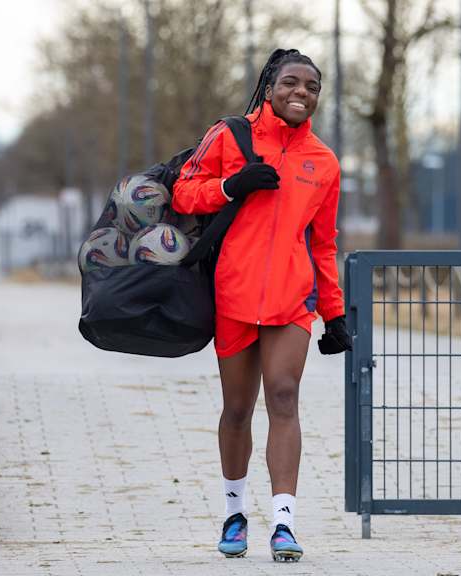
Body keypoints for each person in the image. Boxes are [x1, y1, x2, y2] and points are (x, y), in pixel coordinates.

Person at [172, 48, 351, 562]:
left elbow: (324, 243)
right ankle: (234, 514)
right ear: (269, 87)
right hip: (233, 294)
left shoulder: (324, 161)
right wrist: (232, 186)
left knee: (284, 396)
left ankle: (284, 524)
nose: (301, 92)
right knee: (236, 408)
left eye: (312, 87)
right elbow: (183, 193)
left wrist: (335, 313)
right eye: (291, 82)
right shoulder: (230, 136)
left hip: (292, 300)